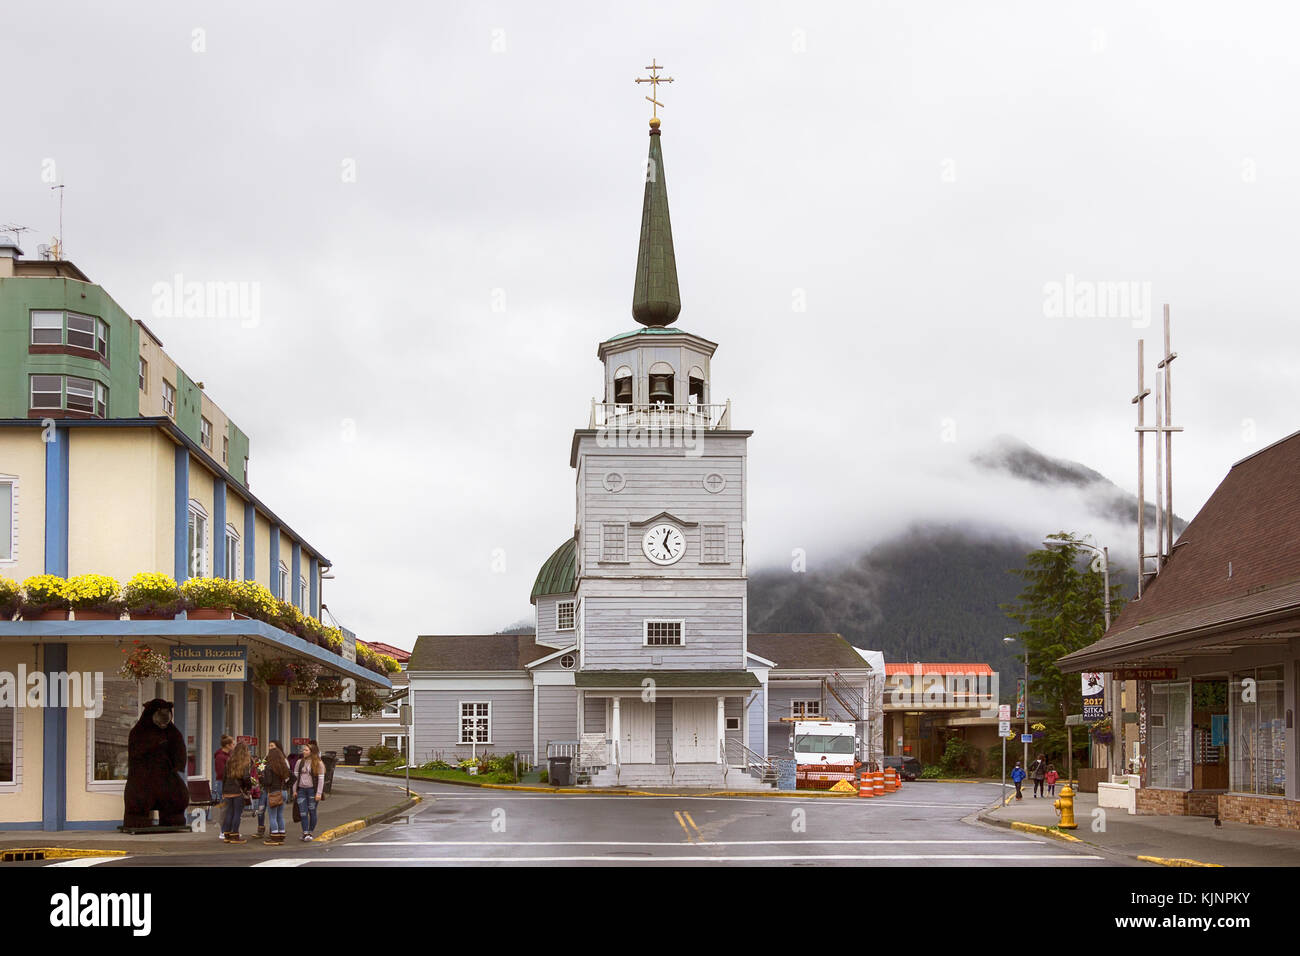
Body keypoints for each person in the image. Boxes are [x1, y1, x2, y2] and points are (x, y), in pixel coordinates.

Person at [291, 741, 327, 841]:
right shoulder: (299, 762)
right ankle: (305, 832)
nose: (304, 751)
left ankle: (310, 832)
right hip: (301, 790)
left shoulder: (318, 763)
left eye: (306, 750)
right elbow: (295, 777)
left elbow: (321, 779)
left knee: (312, 811)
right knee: (303, 812)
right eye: (304, 750)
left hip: (312, 791)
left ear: (312, 752)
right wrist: (294, 790)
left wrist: (319, 793)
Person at [221, 741, 254, 844]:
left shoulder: (229, 761)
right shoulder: (244, 762)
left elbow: (224, 777)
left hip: (227, 790)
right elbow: (246, 777)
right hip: (238, 791)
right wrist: (248, 787)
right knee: (237, 814)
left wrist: (223, 791)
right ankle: (235, 835)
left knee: (229, 813)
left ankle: (227, 835)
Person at [260, 744, 292, 846]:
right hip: (283, 792)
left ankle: (274, 837)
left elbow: (268, 782)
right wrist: (287, 786)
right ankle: (282, 834)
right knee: (280, 815)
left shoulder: (269, 767)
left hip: (274, 793)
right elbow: (293, 777)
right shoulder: (283, 766)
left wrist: (261, 778)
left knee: (272, 816)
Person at [255, 741, 284, 838]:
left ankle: (274, 832)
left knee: (274, 814)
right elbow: (261, 769)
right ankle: (262, 829)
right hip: (266, 789)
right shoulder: (266, 760)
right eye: (269, 745)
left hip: (273, 789)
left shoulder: (281, 760)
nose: (270, 747)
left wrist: (262, 778)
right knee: (261, 809)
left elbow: (269, 780)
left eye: (272, 746)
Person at [211, 735, 234, 830]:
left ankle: (229, 830)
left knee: (230, 808)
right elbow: (221, 772)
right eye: (233, 744)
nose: (234, 745)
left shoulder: (229, 755)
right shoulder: (220, 757)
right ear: (227, 745)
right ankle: (223, 831)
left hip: (229, 783)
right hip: (223, 783)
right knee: (225, 808)